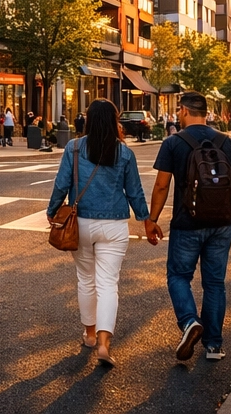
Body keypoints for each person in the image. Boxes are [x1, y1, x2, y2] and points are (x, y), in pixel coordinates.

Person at [148, 91, 231, 363]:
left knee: (178, 276)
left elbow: (162, 185)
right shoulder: (227, 143)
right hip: (221, 224)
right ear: (206, 112)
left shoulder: (174, 143)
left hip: (187, 224)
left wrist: (152, 219)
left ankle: (189, 322)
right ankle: (214, 345)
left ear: (183, 111)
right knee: (215, 283)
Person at [48, 100, 156, 367]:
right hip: (115, 226)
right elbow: (134, 191)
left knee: (86, 280)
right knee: (109, 284)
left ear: (87, 120)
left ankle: (89, 334)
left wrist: (52, 211)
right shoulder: (124, 153)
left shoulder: (73, 148)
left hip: (81, 224)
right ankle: (105, 343)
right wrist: (147, 220)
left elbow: (61, 184)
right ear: (113, 120)